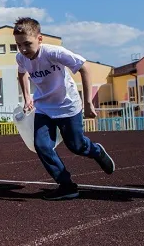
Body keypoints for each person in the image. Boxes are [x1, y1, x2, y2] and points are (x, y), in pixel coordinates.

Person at [15, 17, 115, 200]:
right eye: (18, 45)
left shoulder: (54, 53)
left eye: (27, 44)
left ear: (40, 39)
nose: (22, 49)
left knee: (76, 146)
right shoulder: (21, 57)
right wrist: (27, 96)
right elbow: (21, 74)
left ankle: (97, 151)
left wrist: (88, 103)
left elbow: (85, 67)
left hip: (67, 106)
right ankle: (67, 185)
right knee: (42, 145)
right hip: (44, 108)